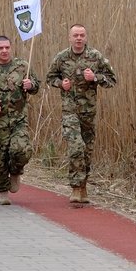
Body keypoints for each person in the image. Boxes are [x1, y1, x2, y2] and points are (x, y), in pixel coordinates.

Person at [46, 24, 116, 204]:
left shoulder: (96, 57)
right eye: (75, 35)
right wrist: (61, 84)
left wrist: (95, 78)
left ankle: (83, 185)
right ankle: (76, 187)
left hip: (88, 112)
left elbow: (112, 80)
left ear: (86, 38)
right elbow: (50, 78)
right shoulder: (61, 58)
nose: (78, 38)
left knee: (86, 150)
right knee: (75, 146)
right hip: (70, 111)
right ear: (70, 38)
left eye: (82, 35)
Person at [0, 35, 39, 205]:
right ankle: (2, 190)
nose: (4, 51)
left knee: (21, 150)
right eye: (0, 48)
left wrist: (31, 85)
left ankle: (16, 170)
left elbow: (36, 85)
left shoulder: (22, 66)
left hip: (18, 119)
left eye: (7, 47)